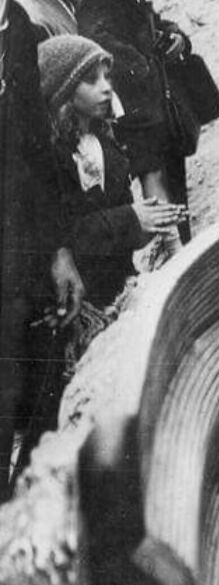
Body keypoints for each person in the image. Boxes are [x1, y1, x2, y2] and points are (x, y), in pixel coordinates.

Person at [0, 0, 85, 499]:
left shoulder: (15, 25)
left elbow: (32, 145)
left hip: (20, 254)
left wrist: (58, 251)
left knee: (35, 389)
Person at [37, 34, 185, 309]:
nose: (106, 88)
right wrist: (131, 219)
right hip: (78, 300)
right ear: (62, 89)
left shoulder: (104, 144)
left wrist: (150, 226)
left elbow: (121, 222)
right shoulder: (50, 160)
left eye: (108, 77)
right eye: (91, 79)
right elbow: (60, 233)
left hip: (118, 286)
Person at [77, 0, 192, 250]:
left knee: (173, 173)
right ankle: (176, 252)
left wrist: (175, 35)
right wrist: (141, 65)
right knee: (154, 175)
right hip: (133, 107)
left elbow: (151, 20)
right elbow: (95, 38)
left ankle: (185, 245)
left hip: (158, 99)